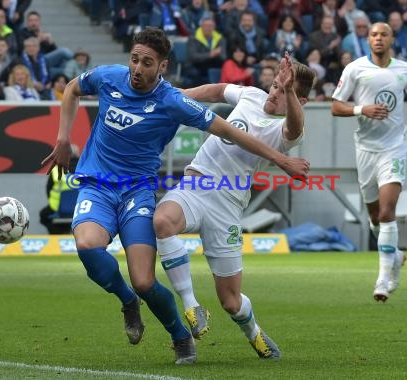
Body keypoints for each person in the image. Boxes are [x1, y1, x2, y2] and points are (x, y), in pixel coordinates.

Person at [41, 27, 309, 364]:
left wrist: (282, 155)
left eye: (147, 62)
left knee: (224, 299)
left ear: (162, 65)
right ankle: (183, 308)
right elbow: (73, 88)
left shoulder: (285, 128)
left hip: (223, 200)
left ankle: (251, 332)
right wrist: (64, 138)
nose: (137, 68)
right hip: (166, 184)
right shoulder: (113, 78)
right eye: (134, 60)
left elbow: (269, 130)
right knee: (140, 228)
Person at [153, 52, 314, 360]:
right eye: (276, 86)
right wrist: (177, 97)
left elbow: (294, 129)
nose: (274, 94)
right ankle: (191, 306)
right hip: (196, 185)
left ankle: (254, 333)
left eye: (284, 91)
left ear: (298, 99)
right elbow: (216, 90)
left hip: (228, 204)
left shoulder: (286, 130)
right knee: (162, 221)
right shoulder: (252, 95)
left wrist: (292, 91)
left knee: (230, 301)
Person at [331, 22, 407, 303]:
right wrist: (363, 109)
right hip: (365, 150)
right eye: (374, 35)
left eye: (383, 34)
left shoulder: (404, 69)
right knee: (375, 217)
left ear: (391, 39)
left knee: (387, 213)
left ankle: (384, 279)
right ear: (368, 39)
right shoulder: (355, 69)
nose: (378, 39)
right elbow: (336, 106)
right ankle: (395, 255)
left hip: (394, 148)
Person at [40, 144, 80, 234]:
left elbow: (49, 189)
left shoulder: (56, 169)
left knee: (43, 216)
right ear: (78, 155)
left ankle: (58, 236)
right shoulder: (86, 169)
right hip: (82, 209)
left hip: (59, 209)